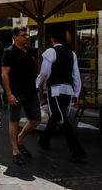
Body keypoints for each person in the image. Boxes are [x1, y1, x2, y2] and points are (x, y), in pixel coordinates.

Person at [36, 29, 86, 162]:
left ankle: (77, 150)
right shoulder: (71, 54)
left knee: (62, 119)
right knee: (57, 116)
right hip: (68, 90)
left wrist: (37, 84)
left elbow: (44, 72)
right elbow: (76, 75)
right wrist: (76, 92)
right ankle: (44, 140)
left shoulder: (51, 52)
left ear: (52, 39)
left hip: (56, 90)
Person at [2, 26, 41, 166]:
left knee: (36, 119)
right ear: (15, 37)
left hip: (30, 91)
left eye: (26, 35)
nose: (26, 37)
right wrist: (9, 94)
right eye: (23, 35)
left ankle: (19, 140)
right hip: (16, 92)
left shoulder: (29, 51)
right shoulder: (9, 52)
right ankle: (15, 151)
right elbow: (4, 73)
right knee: (15, 121)